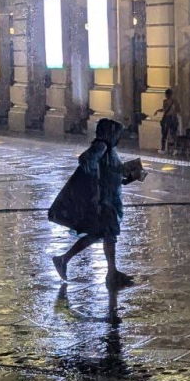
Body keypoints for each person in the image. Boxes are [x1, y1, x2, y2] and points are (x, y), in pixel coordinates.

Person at [51, 118, 144, 289]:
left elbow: (112, 172)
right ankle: (111, 273)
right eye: (116, 134)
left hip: (110, 198)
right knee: (107, 234)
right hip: (104, 200)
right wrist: (95, 182)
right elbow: (86, 161)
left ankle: (64, 259)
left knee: (99, 234)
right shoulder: (102, 146)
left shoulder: (109, 150)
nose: (118, 138)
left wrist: (130, 175)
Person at [154, 89, 180, 155]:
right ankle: (175, 149)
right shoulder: (175, 101)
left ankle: (163, 149)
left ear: (166, 95)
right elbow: (178, 110)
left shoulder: (165, 101)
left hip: (167, 119)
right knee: (173, 134)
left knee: (164, 134)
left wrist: (157, 111)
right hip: (174, 119)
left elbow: (164, 110)